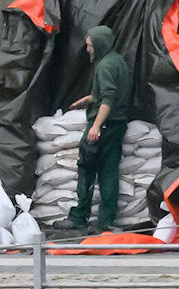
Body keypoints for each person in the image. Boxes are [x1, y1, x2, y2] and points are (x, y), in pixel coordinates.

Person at [52, 25, 132, 233]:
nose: (88, 49)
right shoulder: (118, 62)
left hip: (103, 126)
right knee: (109, 171)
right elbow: (110, 93)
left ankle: (80, 216)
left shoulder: (104, 66)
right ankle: (106, 221)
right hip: (116, 125)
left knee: (86, 168)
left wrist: (96, 125)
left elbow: (109, 98)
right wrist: (88, 99)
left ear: (99, 45)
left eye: (90, 46)